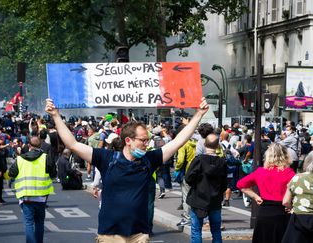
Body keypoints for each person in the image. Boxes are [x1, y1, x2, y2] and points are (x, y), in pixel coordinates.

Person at [45, 97, 209, 242]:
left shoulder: (149, 160)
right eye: (143, 140)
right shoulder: (107, 159)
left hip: (139, 235)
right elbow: (72, 144)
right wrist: (55, 116)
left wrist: (199, 114)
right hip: (111, 235)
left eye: (148, 140)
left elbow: (177, 142)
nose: (147, 144)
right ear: (128, 140)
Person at [236, 143, 295, 243]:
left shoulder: (260, 172)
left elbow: (240, 184)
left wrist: (255, 196)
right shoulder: (290, 173)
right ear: (285, 156)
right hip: (282, 212)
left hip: (264, 211)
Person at [8, 136, 56, 243]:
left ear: (29, 145)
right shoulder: (45, 157)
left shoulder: (20, 159)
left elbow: (11, 173)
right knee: (39, 222)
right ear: (40, 145)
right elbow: (53, 174)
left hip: (26, 196)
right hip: (41, 196)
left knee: (29, 223)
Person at [185, 134, 227, 243]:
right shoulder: (222, 162)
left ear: (204, 144)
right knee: (216, 231)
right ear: (218, 146)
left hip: (198, 198)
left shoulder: (198, 160)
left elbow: (188, 178)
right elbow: (224, 183)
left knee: (196, 230)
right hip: (215, 199)